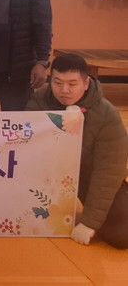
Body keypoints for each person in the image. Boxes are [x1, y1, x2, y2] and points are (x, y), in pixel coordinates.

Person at [26, 54, 128, 249]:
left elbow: (108, 173)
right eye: (58, 83)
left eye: (72, 84)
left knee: (122, 234)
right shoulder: (38, 104)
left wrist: (90, 222)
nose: (64, 90)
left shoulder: (106, 114)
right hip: (49, 177)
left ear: (86, 83)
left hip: (89, 179)